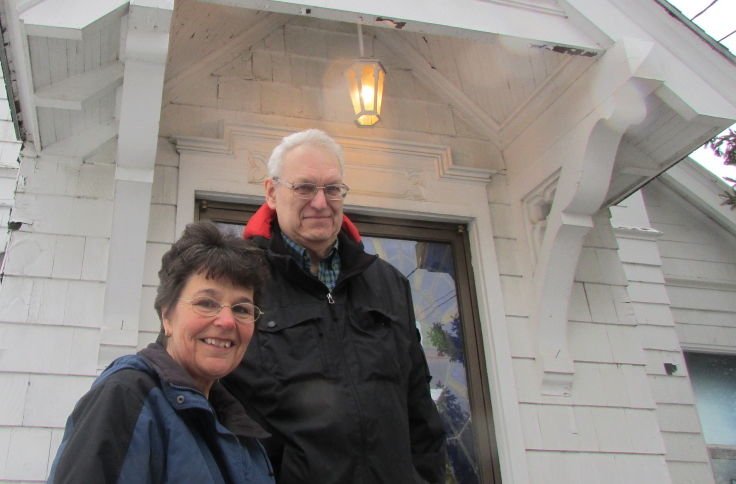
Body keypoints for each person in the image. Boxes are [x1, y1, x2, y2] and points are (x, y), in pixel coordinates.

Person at [223, 129, 447, 484]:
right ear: (272, 193)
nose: (320, 202)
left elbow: (418, 408)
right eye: (305, 188)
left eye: (332, 189)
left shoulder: (388, 283)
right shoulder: (236, 281)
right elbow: (209, 400)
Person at [46, 222, 275, 484]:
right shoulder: (127, 398)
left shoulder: (239, 428)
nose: (227, 321)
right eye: (206, 303)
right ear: (167, 315)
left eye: (242, 309)